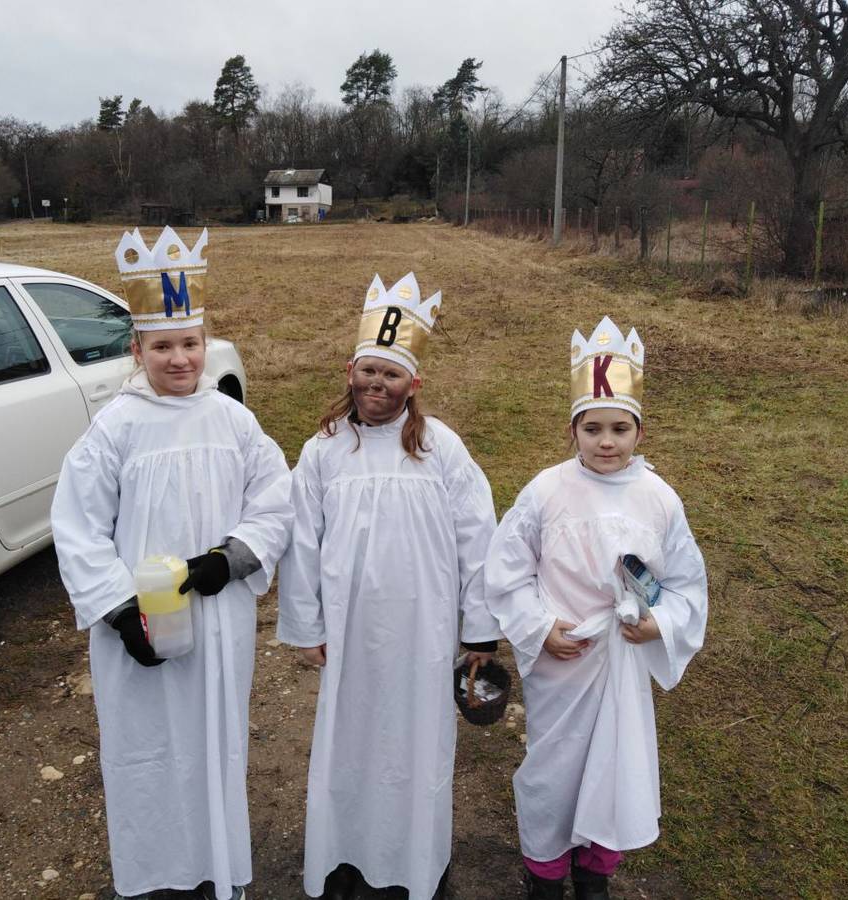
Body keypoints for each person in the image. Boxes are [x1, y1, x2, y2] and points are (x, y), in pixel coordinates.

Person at [51, 226, 293, 900]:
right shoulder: (116, 428)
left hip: (218, 621)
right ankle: (158, 874)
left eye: (190, 344)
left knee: (216, 746)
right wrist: (119, 611)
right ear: (138, 350)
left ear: (205, 344)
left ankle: (221, 870)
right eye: (163, 346)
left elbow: (276, 496)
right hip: (146, 624)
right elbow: (75, 524)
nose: (180, 359)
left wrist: (232, 558)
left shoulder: (233, 421)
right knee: (148, 753)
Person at [277, 273, 501, 900]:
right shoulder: (323, 451)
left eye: (392, 376)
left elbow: (477, 536)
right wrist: (308, 624)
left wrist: (478, 628)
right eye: (369, 372)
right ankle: (345, 852)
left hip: (421, 628)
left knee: (416, 740)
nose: (378, 386)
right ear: (350, 370)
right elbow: (302, 540)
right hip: (349, 627)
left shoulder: (441, 450)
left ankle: (413, 855)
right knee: (349, 738)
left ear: (415, 383)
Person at [485, 316, 708, 900]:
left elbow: (686, 583)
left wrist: (660, 621)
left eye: (618, 429)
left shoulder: (659, 499)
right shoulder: (546, 491)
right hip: (564, 657)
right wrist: (538, 627)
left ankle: (595, 870)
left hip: (622, 659)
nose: (605, 442)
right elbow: (507, 570)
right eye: (592, 429)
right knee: (554, 765)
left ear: (639, 430)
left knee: (613, 763)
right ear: (573, 430)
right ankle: (546, 871)